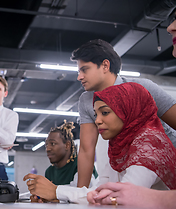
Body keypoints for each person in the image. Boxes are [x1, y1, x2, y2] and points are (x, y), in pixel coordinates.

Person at [86, 13, 176, 209]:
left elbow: (121, 196)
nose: (98, 121)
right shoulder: (117, 142)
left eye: (106, 112)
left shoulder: (149, 142)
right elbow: (108, 188)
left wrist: (61, 192)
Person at [71, 39, 176, 188]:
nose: (79, 77)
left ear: (105, 65)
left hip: (164, 164)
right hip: (130, 167)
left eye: (84, 69)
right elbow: (87, 150)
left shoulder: (142, 88)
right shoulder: (86, 100)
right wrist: (79, 196)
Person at [23, 121, 98, 203]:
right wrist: (41, 197)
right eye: (46, 145)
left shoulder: (81, 165)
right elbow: (53, 197)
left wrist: (54, 195)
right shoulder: (49, 171)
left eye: (53, 143)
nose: (48, 149)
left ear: (67, 145)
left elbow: (84, 195)